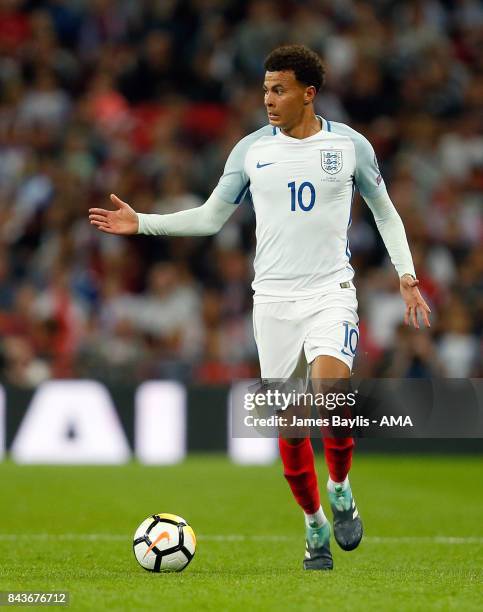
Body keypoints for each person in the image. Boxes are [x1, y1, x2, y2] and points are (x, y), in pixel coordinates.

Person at [89, 44, 431, 570]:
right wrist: (144, 223)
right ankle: (314, 524)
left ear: (307, 93)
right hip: (272, 302)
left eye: (279, 90)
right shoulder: (250, 151)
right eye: (266, 90)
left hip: (329, 293)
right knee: (291, 426)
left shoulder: (350, 146)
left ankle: (340, 488)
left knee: (332, 393)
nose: (268, 99)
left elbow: (385, 213)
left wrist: (406, 276)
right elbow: (209, 218)